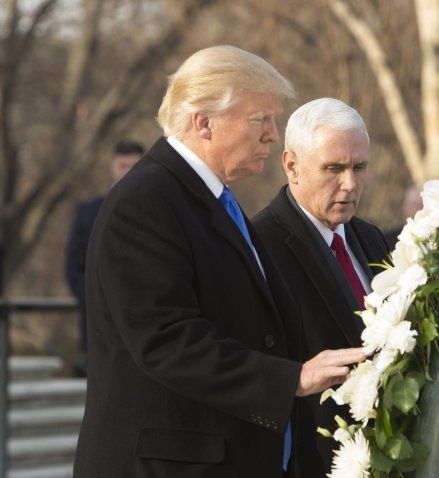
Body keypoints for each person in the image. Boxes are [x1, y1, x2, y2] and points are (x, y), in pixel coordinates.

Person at [73, 46, 365, 478]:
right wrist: (291, 379)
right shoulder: (145, 201)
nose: (272, 133)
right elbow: (166, 340)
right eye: (259, 119)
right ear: (203, 122)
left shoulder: (210, 199)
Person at [252, 98, 391, 477]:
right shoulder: (258, 245)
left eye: (359, 167)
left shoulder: (370, 237)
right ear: (291, 166)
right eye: (333, 168)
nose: (350, 183)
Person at [65, 140, 143, 375]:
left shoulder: (159, 209)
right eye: (122, 165)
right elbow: (73, 265)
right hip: (97, 321)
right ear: (112, 166)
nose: (127, 171)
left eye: (133, 166)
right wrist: (94, 298)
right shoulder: (87, 212)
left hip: (143, 320)